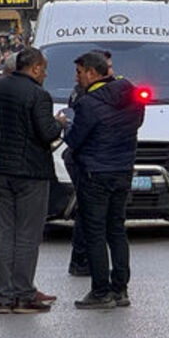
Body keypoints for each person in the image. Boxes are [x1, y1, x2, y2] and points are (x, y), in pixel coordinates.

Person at [64, 51, 146, 309]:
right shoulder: (130, 97)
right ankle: (120, 289)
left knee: (95, 232)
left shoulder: (88, 104)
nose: (77, 78)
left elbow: (75, 140)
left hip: (95, 173)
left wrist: (66, 125)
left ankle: (101, 291)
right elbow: (136, 124)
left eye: (79, 73)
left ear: (91, 72)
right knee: (117, 229)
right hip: (122, 170)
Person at [0, 48, 63, 314]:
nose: (45, 75)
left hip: (0, 172)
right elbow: (46, 134)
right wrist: (60, 123)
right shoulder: (38, 95)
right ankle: (23, 294)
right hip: (30, 172)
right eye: (44, 69)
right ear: (34, 68)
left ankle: (3, 295)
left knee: (6, 231)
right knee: (28, 235)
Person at [64, 49, 114, 277]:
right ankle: (82, 259)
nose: (110, 72)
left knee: (88, 212)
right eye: (107, 67)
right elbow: (78, 133)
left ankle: (80, 258)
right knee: (88, 213)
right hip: (86, 160)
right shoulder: (84, 95)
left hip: (93, 160)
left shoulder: (92, 93)